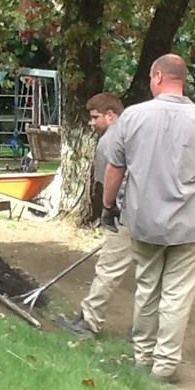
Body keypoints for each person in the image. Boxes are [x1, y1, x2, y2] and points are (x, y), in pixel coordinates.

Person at [102, 54, 195, 383]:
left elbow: (115, 167)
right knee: (177, 294)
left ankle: (143, 357)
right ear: (181, 80)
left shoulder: (132, 117)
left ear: (157, 76)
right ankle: (165, 364)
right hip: (191, 225)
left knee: (147, 288)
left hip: (145, 220)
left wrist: (107, 206)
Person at [56, 92, 132, 339]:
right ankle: (146, 331)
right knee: (152, 275)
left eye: (95, 117)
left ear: (111, 115)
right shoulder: (137, 133)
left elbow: (107, 182)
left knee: (109, 267)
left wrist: (108, 211)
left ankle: (90, 322)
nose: (91, 123)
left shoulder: (110, 140)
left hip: (126, 214)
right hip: (154, 215)